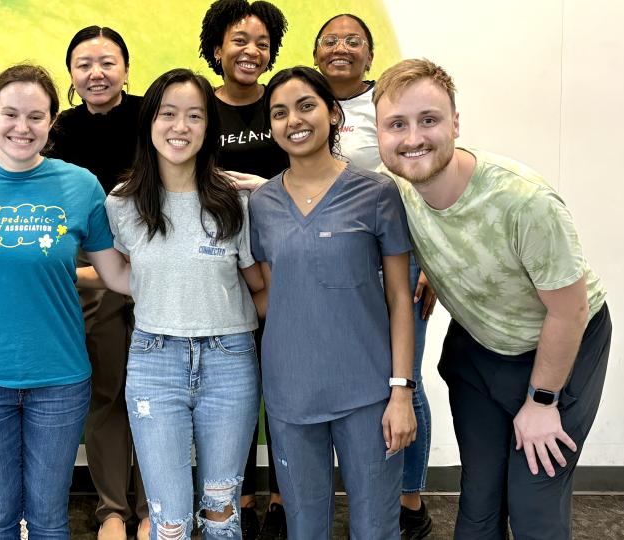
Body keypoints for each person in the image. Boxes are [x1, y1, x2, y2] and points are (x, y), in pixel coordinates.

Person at [373, 58, 611, 539]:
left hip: (562, 344)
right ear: (379, 132)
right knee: (479, 501)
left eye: (429, 120)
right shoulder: (396, 183)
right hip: (481, 346)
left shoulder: (524, 202)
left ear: (455, 123)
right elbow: (327, 188)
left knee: (533, 508)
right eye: (397, 124)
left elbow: (571, 309)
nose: (413, 137)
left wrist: (543, 401)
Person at [0, 64, 128, 540]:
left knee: (48, 520)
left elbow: (116, 275)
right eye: (10, 114)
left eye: (35, 116)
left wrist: (200, 275)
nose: (21, 128)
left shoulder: (82, 185)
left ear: (51, 121)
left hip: (59, 378)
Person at [85, 67, 266, 540]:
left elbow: (259, 285)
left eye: (194, 116)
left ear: (209, 127)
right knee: (167, 522)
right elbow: (122, 277)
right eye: (168, 114)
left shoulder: (233, 200)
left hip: (230, 361)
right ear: (150, 122)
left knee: (223, 509)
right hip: (154, 361)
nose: (180, 127)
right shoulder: (122, 203)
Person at [249, 66, 416, 539]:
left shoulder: (377, 194)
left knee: (374, 527)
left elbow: (400, 297)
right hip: (289, 392)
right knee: (303, 526)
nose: (293, 120)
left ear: (334, 114)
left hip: (367, 392)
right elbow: (268, 293)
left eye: (306, 106)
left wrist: (402, 391)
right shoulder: (262, 203)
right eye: (279, 113)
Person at [313, 14, 436, 537]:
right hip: (327, 268)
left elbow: (423, 178)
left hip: (395, 260)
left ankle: (409, 501)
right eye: (330, 40)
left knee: (403, 379)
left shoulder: (387, 105)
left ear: (370, 53)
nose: (341, 47)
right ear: (315, 51)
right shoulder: (304, 100)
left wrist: (428, 261)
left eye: (353, 41)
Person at [45, 25, 148, 540]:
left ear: (126, 69)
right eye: (84, 63)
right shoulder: (57, 129)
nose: (96, 73)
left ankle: (158, 504)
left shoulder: (153, 116)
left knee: (155, 391)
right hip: (90, 272)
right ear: (71, 75)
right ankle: (112, 508)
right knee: (106, 392)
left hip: (155, 261)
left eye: (108, 62)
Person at [198, 2, 289, 535]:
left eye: (260, 43)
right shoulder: (201, 107)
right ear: (217, 48)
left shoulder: (283, 104)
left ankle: (279, 497)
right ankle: (235, 498)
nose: (250, 52)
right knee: (230, 393)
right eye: (239, 40)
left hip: (280, 262)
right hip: (216, 264)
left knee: (279, 383)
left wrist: (264, 189)